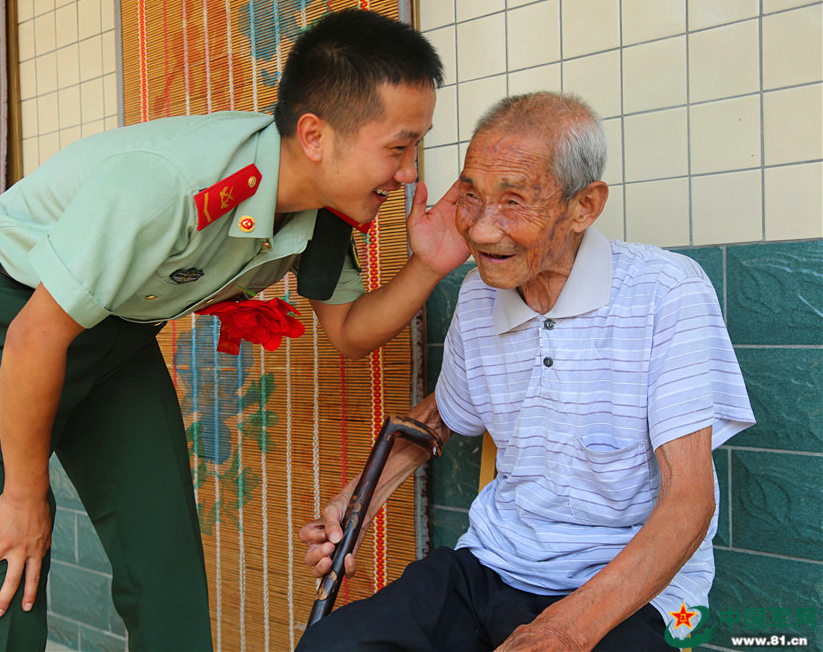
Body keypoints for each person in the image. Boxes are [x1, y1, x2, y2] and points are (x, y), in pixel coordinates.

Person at [0, 8, 470, 652]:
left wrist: (430, 265)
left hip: (118, 332)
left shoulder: (324, 210)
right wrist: (24, 495)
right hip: (11, 313)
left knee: (165, 567)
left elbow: (349, 331)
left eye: (418, 147)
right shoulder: (171, 184)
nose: (409, 172)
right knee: (2, 562)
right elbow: (35, 337)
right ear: (316, 135)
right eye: (399, 147)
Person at [298, 92, 755, 651]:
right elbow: (441, 415)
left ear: (584, 207)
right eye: (470, 196)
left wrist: (565, 630)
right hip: (497, 562)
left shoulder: (667, 291)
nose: (483, 230)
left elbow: (690, 501)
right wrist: (359, 499)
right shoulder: (476, 296)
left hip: (633, 591)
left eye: (514, 202)